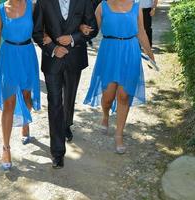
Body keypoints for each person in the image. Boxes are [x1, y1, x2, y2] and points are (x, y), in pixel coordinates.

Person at [33, 0, 98, 169]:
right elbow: (37, 31)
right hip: (52, 60)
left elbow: (93, 28)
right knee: (55, 103)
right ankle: (57, 152)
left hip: (75, 59)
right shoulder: (43, 2)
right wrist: (53, 48)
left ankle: (66, 124)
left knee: (69, 99)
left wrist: (72, 38)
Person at [83, 0, 155, 154]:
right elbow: (93, 30)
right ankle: (105, 115)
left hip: (130, 52)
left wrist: (150, 54)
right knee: (108, 96)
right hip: (109, 52)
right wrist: (81, 28)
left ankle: (119, 134)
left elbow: (141, 32)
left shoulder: (136, 7)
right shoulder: (102, 6)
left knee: (123, 95)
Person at [0, 0, 41, 170]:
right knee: (8, 103)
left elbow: (41, 30)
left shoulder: (32, 6)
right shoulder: (0, 10)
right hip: (8, 57)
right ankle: (6, 147)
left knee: (26, 97)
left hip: (27, 55)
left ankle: (25, 124)